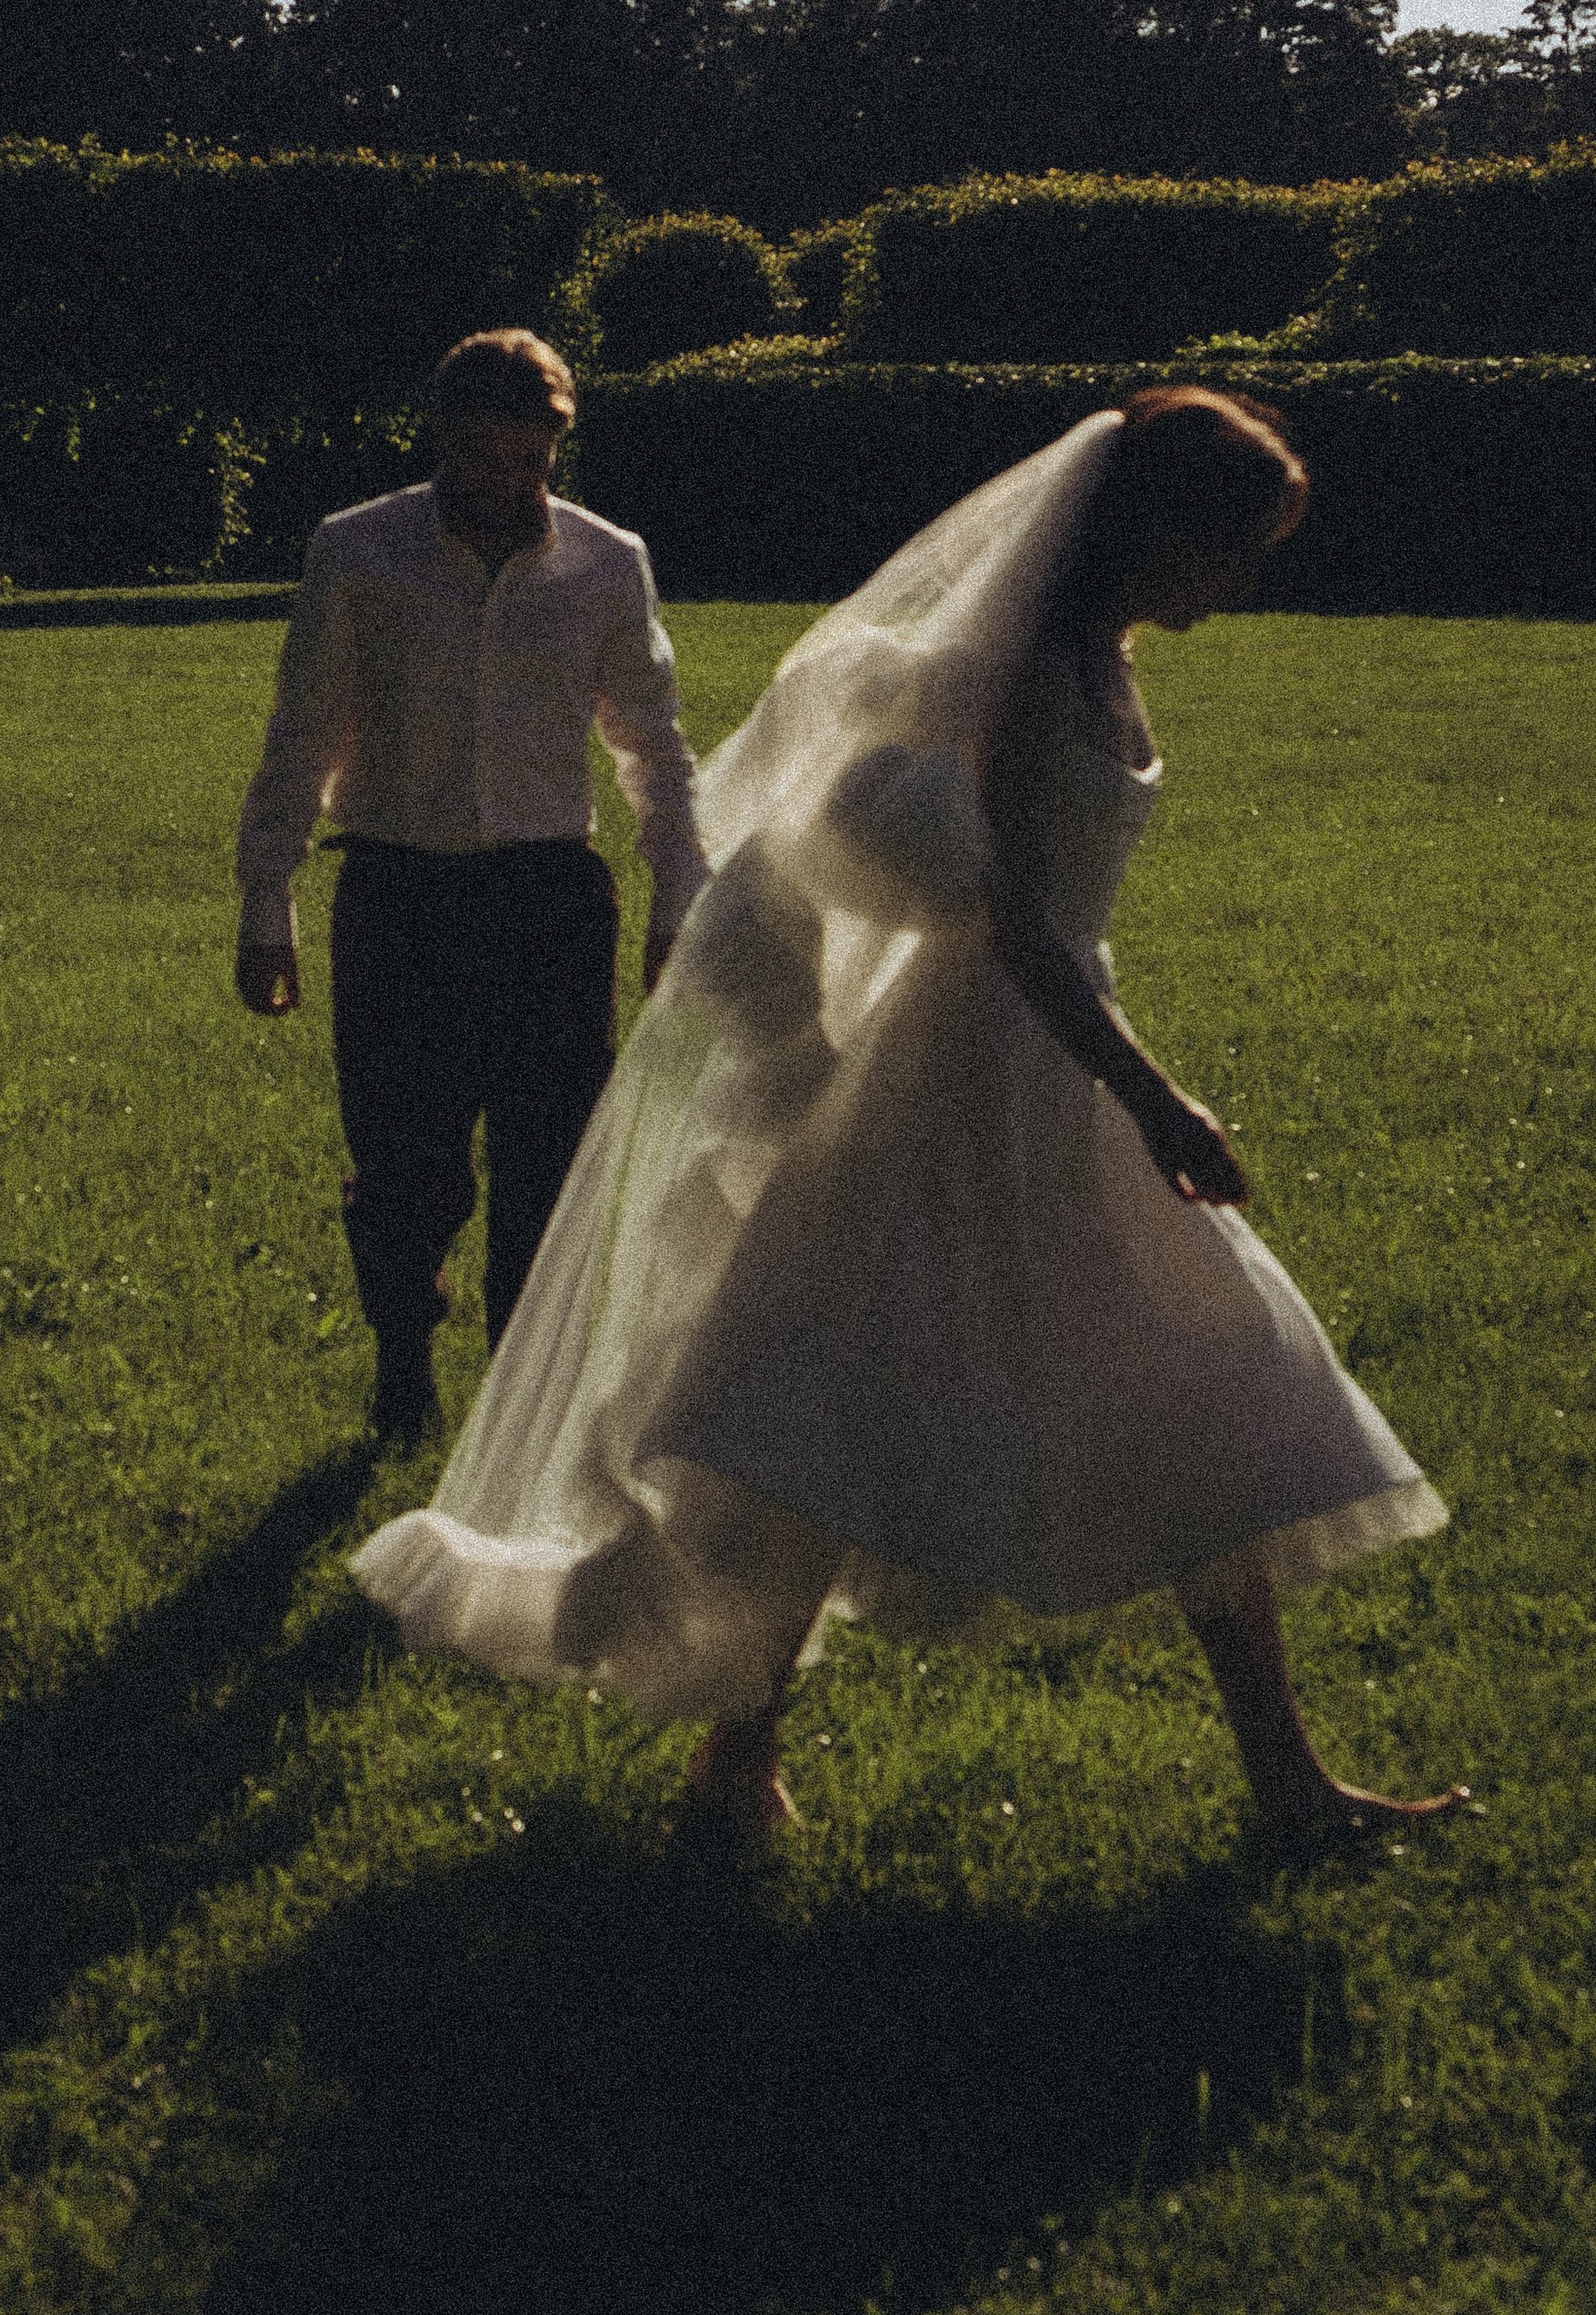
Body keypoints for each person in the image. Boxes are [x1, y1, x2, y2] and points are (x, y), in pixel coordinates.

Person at [353, 389, 1470, 1847]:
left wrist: (1124, 1084)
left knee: (1204, 1382)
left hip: (1058, 1059)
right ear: (1151, 534)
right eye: (1230, 546)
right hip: (975, 1071)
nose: (1241, 578)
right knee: (835, 1406)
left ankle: (1285, 1784)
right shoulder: (1018, 680)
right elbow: (1007, 918)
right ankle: (734, 1765)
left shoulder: (1101, 666)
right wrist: (1150, 1097)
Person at [236, 328, 710, 1442]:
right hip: (400, 897)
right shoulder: (358, 553)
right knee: (407, 1169)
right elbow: (302, 735)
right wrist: (269, 906)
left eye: (528, 459)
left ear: (557, 445)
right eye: (480, 455)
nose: (503, 481)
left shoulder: (607, 562)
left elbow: (651, 739)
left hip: (549, 901)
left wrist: (679, 892)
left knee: (548, 1175)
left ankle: (518, 1417)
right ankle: (404, 1355)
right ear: (440, 438)